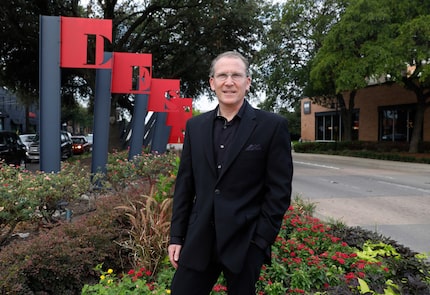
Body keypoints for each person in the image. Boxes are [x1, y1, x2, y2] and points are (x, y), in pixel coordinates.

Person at [168, 51, 293, 295]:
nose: (229, 81)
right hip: (199, 238)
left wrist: (260, 242)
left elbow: (279, 191)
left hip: (245, 242)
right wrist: (176, 236)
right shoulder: (196, 126)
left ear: (247, 82)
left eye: (236, 75)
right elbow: (186, 185)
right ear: (212, 82)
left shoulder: (272, 126)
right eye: (222, 75)